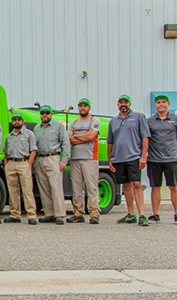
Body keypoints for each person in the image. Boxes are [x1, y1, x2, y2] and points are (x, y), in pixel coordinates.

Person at [107, 94, 151, 227]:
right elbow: (110, 142)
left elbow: (145, 137)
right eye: (121, 103)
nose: (123, 104)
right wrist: (110, 160)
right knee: (125, 185)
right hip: (119, 158)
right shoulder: (113, 121)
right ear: (117, 105)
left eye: (126, 102)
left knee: (136, 184)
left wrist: (143, 156)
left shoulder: (138, 117)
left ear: (130, 104)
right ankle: (130, 213)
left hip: (133, 157)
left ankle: (142, 215)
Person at [33, 105, 70, 225]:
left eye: (47, 113)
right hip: (40, 159)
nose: (44, 115)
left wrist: (64, 160)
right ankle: (49, 213)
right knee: (44, 187)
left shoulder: (58, 126)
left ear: (51, 114)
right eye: (42, 113)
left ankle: (59, 214)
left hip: (53, 157)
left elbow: (66, 143)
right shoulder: (36, 128)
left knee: (56, 187)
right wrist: (34, 161)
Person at [67, 98, 101, 224]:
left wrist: (77, 137)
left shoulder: (94, 121)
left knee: (91, 187)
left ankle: (94, 213)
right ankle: (78, 213)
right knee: (77, 188)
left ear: (89, 108)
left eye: (85, 106)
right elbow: (69, 139)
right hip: (75, 158)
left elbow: (92, 136)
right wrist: (84, 137)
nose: (82, 108)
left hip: (89, 158)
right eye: (80, 106)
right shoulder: (73, 122)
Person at [3, 113, 38, 225]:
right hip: (11, 163)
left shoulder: (29, 134)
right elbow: (6, 152)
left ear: (23, 122)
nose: (16, 122)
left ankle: (31, 215)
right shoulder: (9, 136)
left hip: (24, 162)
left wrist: (28, 164)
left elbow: (33, 150)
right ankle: (14, 214)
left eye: (19, 120)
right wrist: (6, 164)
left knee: (27, 190)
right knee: (13, 190)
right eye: (14, 120)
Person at [147, 95, 177, 224]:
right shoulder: (150, 121)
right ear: (155, 106)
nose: (161, 104)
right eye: (158, 102)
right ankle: (155, 214)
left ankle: (176, 214)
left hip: (171, 158)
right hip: (154, 159)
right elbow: (145, 139)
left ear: (169, 104)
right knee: (155, 186)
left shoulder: (174, 119)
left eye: (163, 102)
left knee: (173, 186)